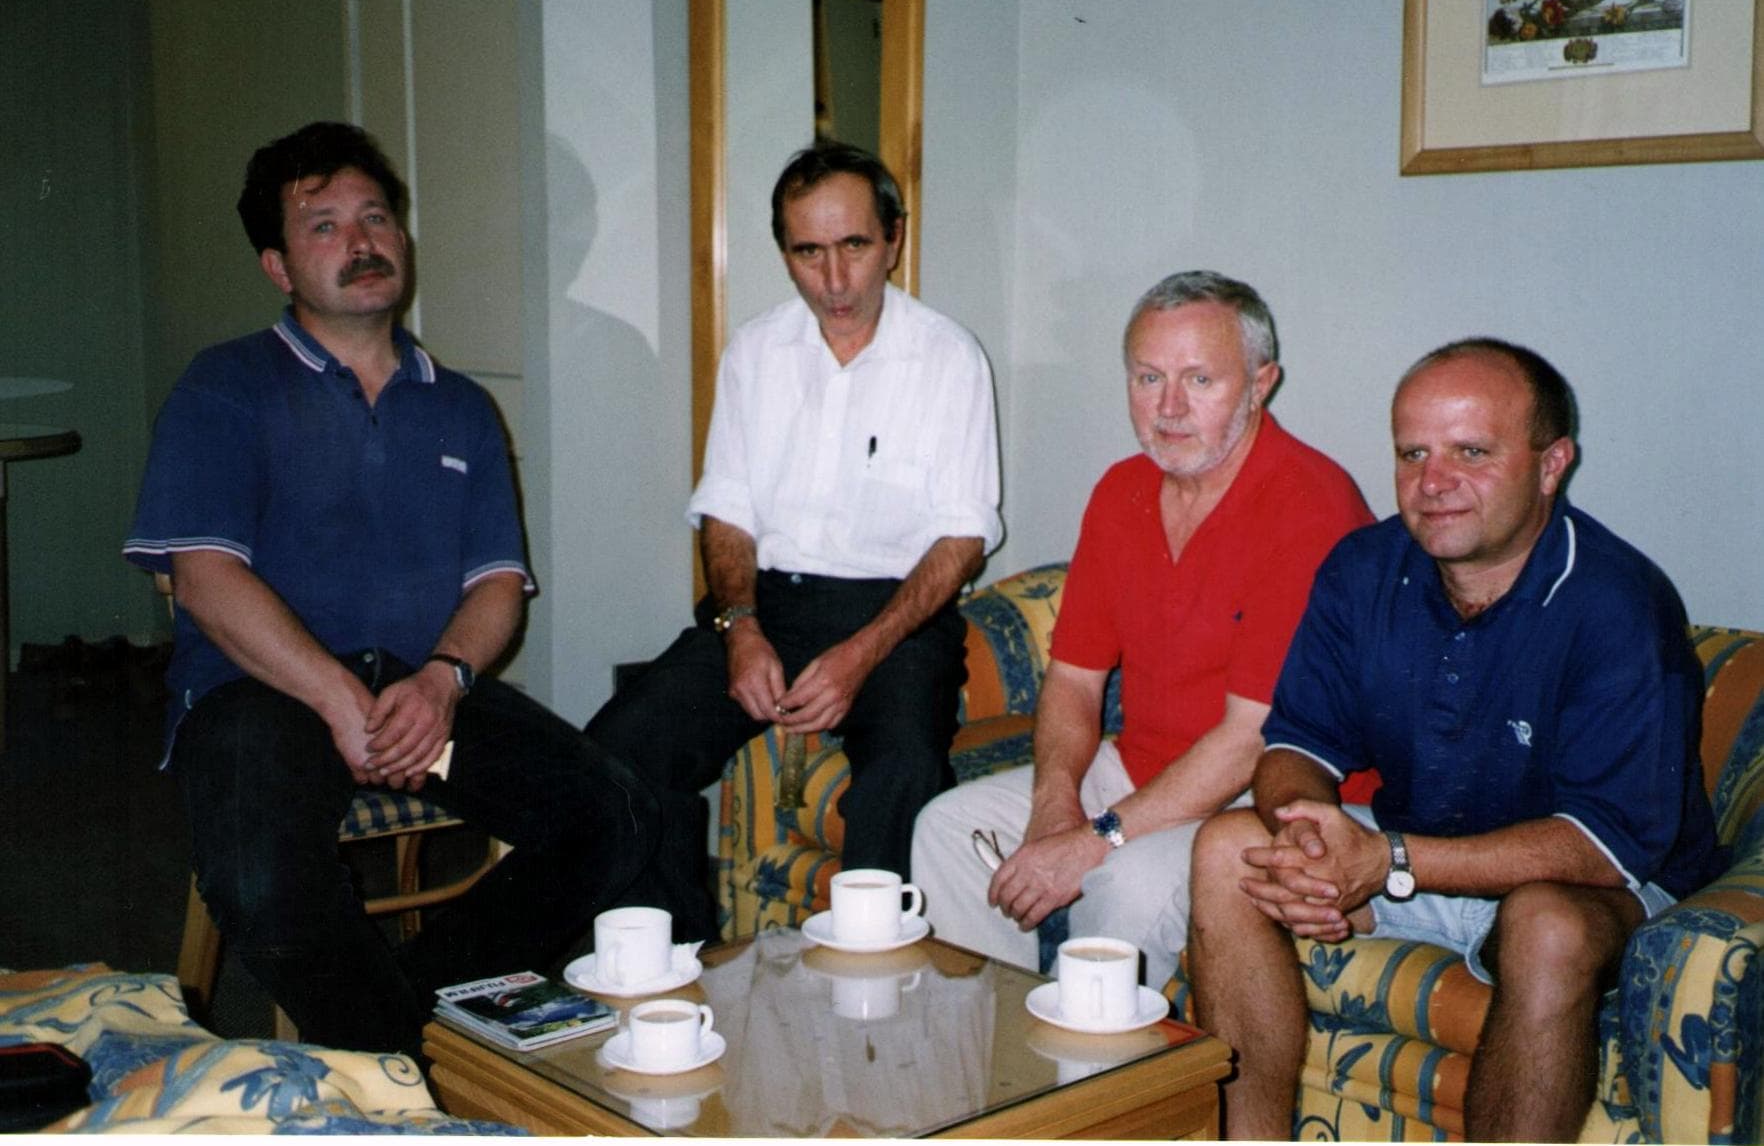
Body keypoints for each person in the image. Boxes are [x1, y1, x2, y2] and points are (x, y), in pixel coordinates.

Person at [123, 121, 661, 1059]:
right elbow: (206, 580)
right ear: (279, 267)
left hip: (422, 696)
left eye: (375, 217)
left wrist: (442, 681)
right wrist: (340, 701)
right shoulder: (225, 388)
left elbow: (497, 582)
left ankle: (410, 1020)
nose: (361, 240)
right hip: (266, 702)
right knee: (259, 885)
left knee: (612, 817)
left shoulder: (459, 405)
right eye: (323, 225)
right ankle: (406, 1066)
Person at [1187, 339, 1725, 1141]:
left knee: (1547, 927)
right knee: (1228, 849)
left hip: (1597, 883)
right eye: (1413, 453)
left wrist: (1390, 862)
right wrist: (1307, 830)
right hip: (1428, 855)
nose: (1432, 484)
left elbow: (1605, 845)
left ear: (1552, 465)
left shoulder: (1619, 605)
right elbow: (1297, 743)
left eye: (1472, 452)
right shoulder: (1364, 568)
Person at [586, 142, 1003, 941]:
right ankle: (675, 966)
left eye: (854, 246)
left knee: (901, 775)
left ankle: (869, 999)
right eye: (808, 253)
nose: (836, 280)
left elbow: (962, 540)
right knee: (621, 750)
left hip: (899, 615)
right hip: (767, 602)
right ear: (784, 254)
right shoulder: (755, 351)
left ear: (894, 239)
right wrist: (739, 627)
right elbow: (727, 511)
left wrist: (862, 654)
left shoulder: (949, 359)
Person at [910, 271, 1373, 989]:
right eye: (1148, 377)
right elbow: (1073, 679)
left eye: (1200, 380)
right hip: (1141, 770)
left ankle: (1091, 1096)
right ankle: (986, 1084)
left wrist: (1093, 841)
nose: (1169, 408)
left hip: (1265, 799)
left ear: (1262, 383)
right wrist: (1054, 799)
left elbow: (1251, 740)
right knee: (947, 830)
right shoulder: (1121, 490)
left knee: (1123, 885)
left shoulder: (1310, 505)